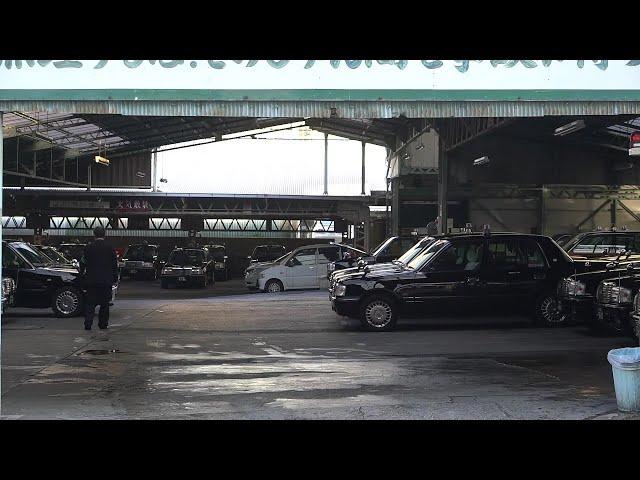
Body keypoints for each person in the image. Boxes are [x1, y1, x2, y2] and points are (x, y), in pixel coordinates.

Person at [80, 226, 118, 331]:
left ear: (94, 234)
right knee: (105, 304)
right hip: (106, 281)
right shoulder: (110, 248)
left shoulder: (88, 247)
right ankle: (103, 324)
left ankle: (88, 323)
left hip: (91, 280)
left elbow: (82, 262)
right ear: (104, 234)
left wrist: (82, 274)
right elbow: (115, 265)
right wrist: (114, 278)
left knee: (90, 303)